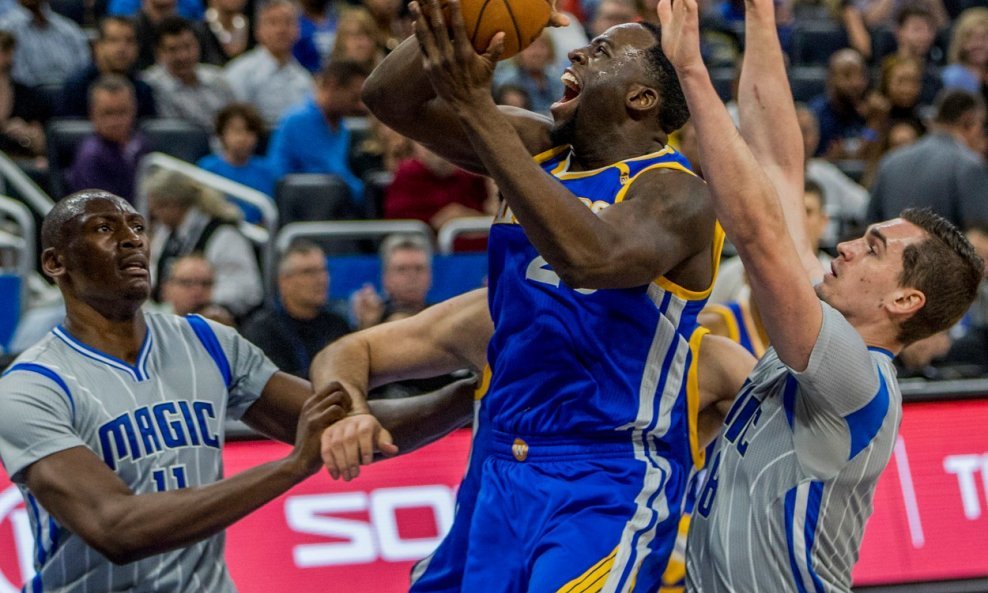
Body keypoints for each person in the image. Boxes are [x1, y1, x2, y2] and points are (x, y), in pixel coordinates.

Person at [321, 1, 724, 591]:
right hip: (498, 461)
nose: (580, 51)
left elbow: (591, 258)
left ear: (642, 99)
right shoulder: (537, 148)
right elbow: (388, 98)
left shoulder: (678, 193)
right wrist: (465, 16)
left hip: (604, 474)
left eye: (604, 52)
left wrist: (475, 107)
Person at [653, 1, 983, 592]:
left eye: (875, 249)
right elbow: (779, 163)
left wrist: (692, 71)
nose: (850, 245)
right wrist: (760, 16)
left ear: (904, 301)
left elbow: (757, 233)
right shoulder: (827, 321)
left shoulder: (856, 378)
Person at [0, 189, 475, 592]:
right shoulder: (30, 388)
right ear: (54, 262)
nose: (130, 241)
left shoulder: (207, 341)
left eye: (137, 227)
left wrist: (475, 395)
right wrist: (290, 468)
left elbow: (351, 430)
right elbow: (116, 527)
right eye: (104, 229)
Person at [313, 287, 753, 593]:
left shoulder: (702, 359)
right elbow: (349, 351)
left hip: (606, 538)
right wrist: (351, 409)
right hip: (483, 547)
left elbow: (797, 446)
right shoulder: (500, 317)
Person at [145, 168, 263, 317]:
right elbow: (154, 274)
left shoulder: (223, 235)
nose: (154, 215)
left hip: (212, 320)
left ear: (174, 205)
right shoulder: (166, 233)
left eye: (158, 207)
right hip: (169, 316)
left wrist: (199, 298)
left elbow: (248, 290)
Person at [867, 89, 988, 230]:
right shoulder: (969, 166)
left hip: (889, 251)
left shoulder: (890, 160)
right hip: (939, 252)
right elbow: (979, 239)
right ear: (968, 121)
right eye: (981, 126)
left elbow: (870, 226)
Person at [242, 241, 351, 379]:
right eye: (308, 272)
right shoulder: (263, 331)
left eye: (324, 270)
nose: (321, 279)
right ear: (284, 281)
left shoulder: (338, 325)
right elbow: (274, 386)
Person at [267, 59, 369, 205]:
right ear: (333, 86)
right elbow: (331, 171)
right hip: (300, 207)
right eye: (354, 98)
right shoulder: (299, 120)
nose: (361, 106)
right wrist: (365, 192)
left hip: (330, 203)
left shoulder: (341, 125)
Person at [223, 0, 312, 127]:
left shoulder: (304, 78)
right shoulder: (240, 73)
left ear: (298, 30)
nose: (281, 29)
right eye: (273, 22)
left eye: (288, 22)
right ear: (258, 30)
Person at [66, 75, 151, 203]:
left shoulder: (141, 144)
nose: (116, 121)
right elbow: (99, 211)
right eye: (108, 113)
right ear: (92, 114)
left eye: (122, 112)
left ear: (134, 110)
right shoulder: (91, 156)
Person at [143, 16, 236, 131]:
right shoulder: (150, 86)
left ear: (198, 45)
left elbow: (235, 120)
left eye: (188, 46)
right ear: (159, 53)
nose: (183, 56)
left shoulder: (218, 79)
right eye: (173, 49)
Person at [60, 16, 158, 119]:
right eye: (113, 40)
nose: (122, 48)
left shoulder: (143, 90)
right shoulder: (76, 88)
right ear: (97, 46)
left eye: (129, 41)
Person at [196, 102, 278, 222]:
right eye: (237, 131)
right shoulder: (206, 168)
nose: (243, 138)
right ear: (222, 134)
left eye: (249, 131)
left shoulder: (268, 171)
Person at [351, 233, 433, 330]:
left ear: (430, 275)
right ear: (386, 277)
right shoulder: (372, 318)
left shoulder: (441, 316)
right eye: (401, 269)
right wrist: (367, 324)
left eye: (419, 269)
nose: (412, 277)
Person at [0, 0, 89, 86]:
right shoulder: (7, 28)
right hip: (24, 94)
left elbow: (84, 68)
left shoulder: (69, 30)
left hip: (67, 93)